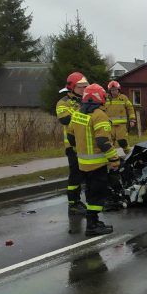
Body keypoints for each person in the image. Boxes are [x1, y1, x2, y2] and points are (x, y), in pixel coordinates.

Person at [67, 84, 119, 236]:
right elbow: (103, 141)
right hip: (97, 165)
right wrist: (114, 159)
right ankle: (92, 225)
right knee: (97, 195)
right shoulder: (99, 115)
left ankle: (93, 221)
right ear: (99, 97)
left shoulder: (77, 113)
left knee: (90, 193)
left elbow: (70, 137)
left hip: (83, 164)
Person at [56, 72, 89, 215]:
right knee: (75, 175)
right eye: (80, 87)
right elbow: (65, 120)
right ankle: (73, 204)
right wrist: (85, 112)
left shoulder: (86, 101)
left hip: (86, 143)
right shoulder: (63, 102)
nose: (83, 89)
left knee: (85, 175)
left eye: (85, 86)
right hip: (72, 145)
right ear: (72, 87)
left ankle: (81, 201)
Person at [104, 81, 136, 155]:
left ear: (118, 89)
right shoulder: (106, 98)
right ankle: (112, 158)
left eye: (115, 90)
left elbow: (130, 108)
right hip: (109, 125)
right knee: (109, 143)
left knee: (122, 141)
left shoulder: (123, 98)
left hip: (121, 125)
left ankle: (129, 156)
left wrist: (132, 120)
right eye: (112, 90)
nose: (113, 92)